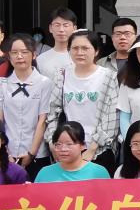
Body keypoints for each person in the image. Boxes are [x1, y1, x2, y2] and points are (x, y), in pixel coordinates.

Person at [43, 30, 119, 171]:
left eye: (85, 48)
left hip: (99, 150)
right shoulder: (62, 75)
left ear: (96, 51)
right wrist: (53, 142)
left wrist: (92, 149)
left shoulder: (108, 77)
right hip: (68, 149)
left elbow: (111, 117)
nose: (80, 52)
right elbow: (52, 112)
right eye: (75, 48)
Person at [0, 33, 53, 181]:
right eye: (14, 53)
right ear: (9, 56)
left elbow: (43, 121)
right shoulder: (1, 84)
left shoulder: (45, 83)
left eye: (24, 52)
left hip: (38, 154)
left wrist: (31, 153)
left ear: (34, 55)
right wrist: (5, 151)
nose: (19, 56)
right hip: (7, 154)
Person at [36, 121, 111, 183]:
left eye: (69, 144)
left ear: (82, 145)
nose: (63, 149)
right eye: (58, 144)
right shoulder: (45, 173)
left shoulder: (99, 173)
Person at [36, 7, 78, 79]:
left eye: (66, 25)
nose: (61, 29)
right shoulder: (40, 59)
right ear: (50, 28)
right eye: (57, 25)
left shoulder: (81, 57)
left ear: (74, 29)